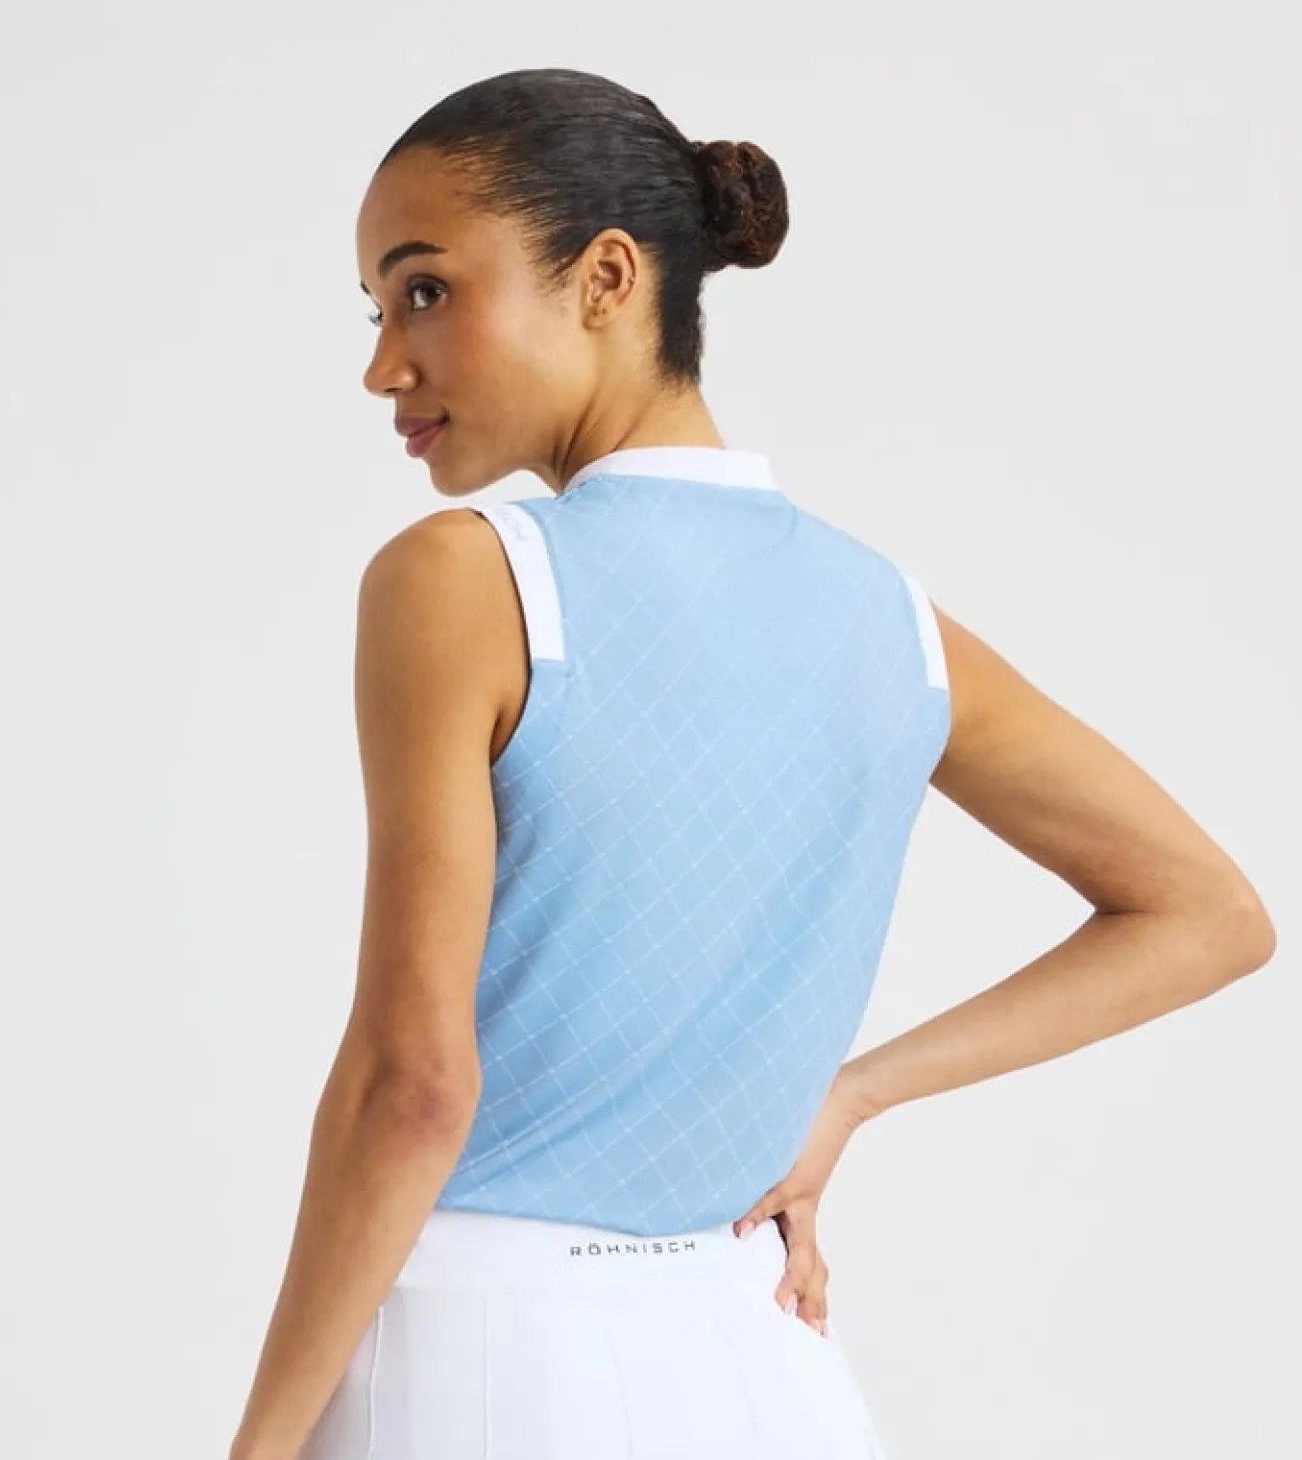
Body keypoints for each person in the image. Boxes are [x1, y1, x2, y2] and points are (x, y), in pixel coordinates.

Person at [228, 67, 1277, 1460]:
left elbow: (413, 1086)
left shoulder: (466, 580)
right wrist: (846, 1094)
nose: (383, 363)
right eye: (376, 310)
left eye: (425, 290)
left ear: (608, 278)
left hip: (478, 1356)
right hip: (762, 1359)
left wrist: (259, 1443)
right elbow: (1209, 912)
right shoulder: (889, 618)